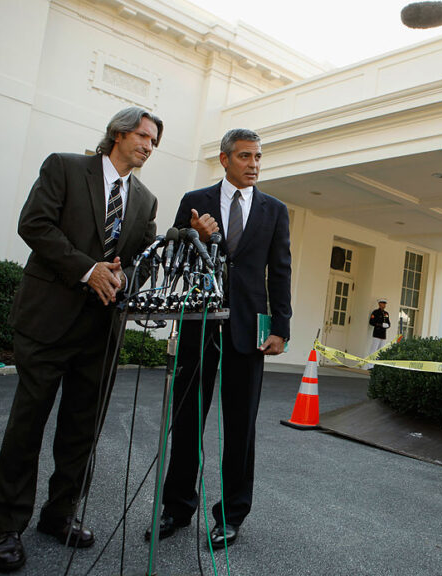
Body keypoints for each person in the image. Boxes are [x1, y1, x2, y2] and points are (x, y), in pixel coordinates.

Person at [0, 107, 162, 572]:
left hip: (101, 331)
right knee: (27, 427)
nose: (149, 145)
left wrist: (129, 277)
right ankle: (6, 528)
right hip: (47, 322)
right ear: (119, 134)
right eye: (143, 136)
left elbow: (143, 262)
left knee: (81, 432)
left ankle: (59, 514)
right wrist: (89, 269)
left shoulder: (145, 200)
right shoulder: (64, 167)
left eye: (154, 141)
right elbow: (35, 225)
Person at [147, 129, 292, 549]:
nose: (254, 164)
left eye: (258, 157)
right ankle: (176, 507)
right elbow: (172, 259)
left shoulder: (274, 210)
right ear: (225, 159)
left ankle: (231, 515)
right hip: (199, 323)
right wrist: (196, 234)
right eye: (245, 156)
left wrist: (280, 326)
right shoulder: (196, 200)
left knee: (240, 426)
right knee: (187, 418)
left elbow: (279, 269)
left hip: (249, 332)